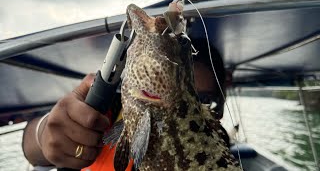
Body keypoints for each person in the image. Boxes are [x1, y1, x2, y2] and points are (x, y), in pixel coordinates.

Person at [22, 40, 227, 170]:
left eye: (203, 99)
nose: (181, 108)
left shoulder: (215, 145)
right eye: (175, 93)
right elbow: (29, 147)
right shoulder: (104, 112)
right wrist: (45, 133)